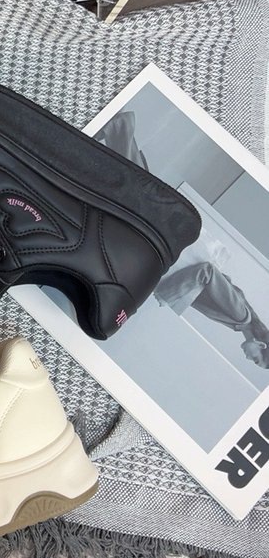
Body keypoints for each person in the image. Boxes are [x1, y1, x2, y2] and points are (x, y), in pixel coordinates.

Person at [94, 113, 269, 370]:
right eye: (255, 359)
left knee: (144, 199)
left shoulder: (239, 321)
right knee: (140, 199)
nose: (248, 358)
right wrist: (167, 294)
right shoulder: (240, 315)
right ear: (261, 345)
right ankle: (121, 128)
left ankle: (121, 131)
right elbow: (207, 273)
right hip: (179, 251)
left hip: (179, 251)